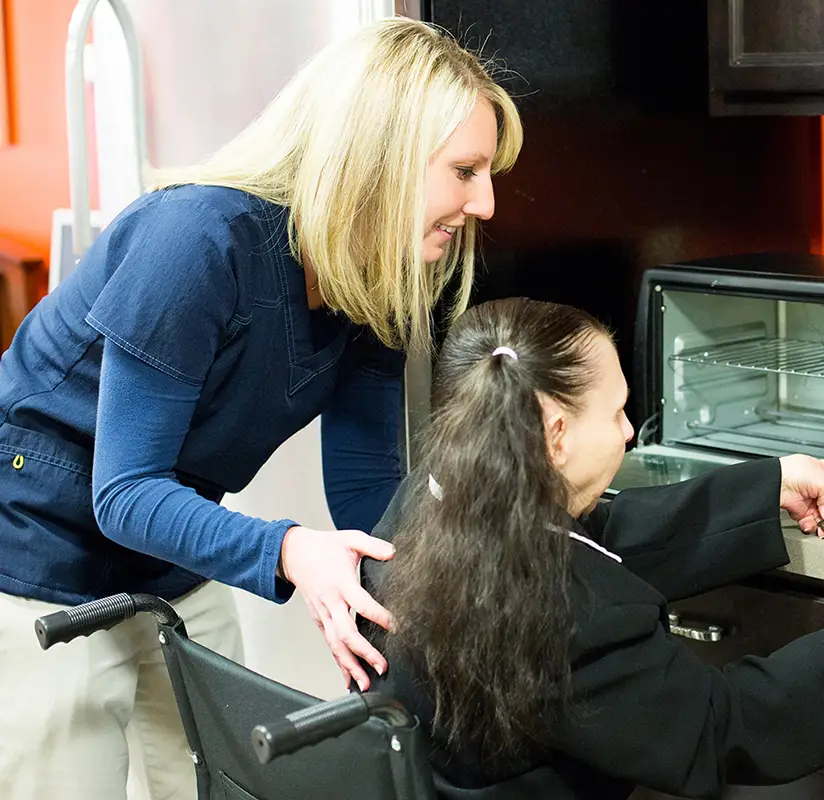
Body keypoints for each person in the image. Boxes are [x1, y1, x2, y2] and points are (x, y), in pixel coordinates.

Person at [0, 18, 522, 800]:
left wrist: (422, 597)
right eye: (465, 170)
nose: (483, 202)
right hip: (38, 550)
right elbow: (122, 490)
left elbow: (367, 481)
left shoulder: (379, 277)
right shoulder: (195, 240)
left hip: (176, 548)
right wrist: (293, 551)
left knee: (222, 783)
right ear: (377, 157)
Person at [361, 297, 824, 798]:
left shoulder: (423, 505)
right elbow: (716, 728)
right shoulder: (575, 611)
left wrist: (767, 486)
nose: (631, 431)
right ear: (555, 436)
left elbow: (601, 535)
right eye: (619, 413)